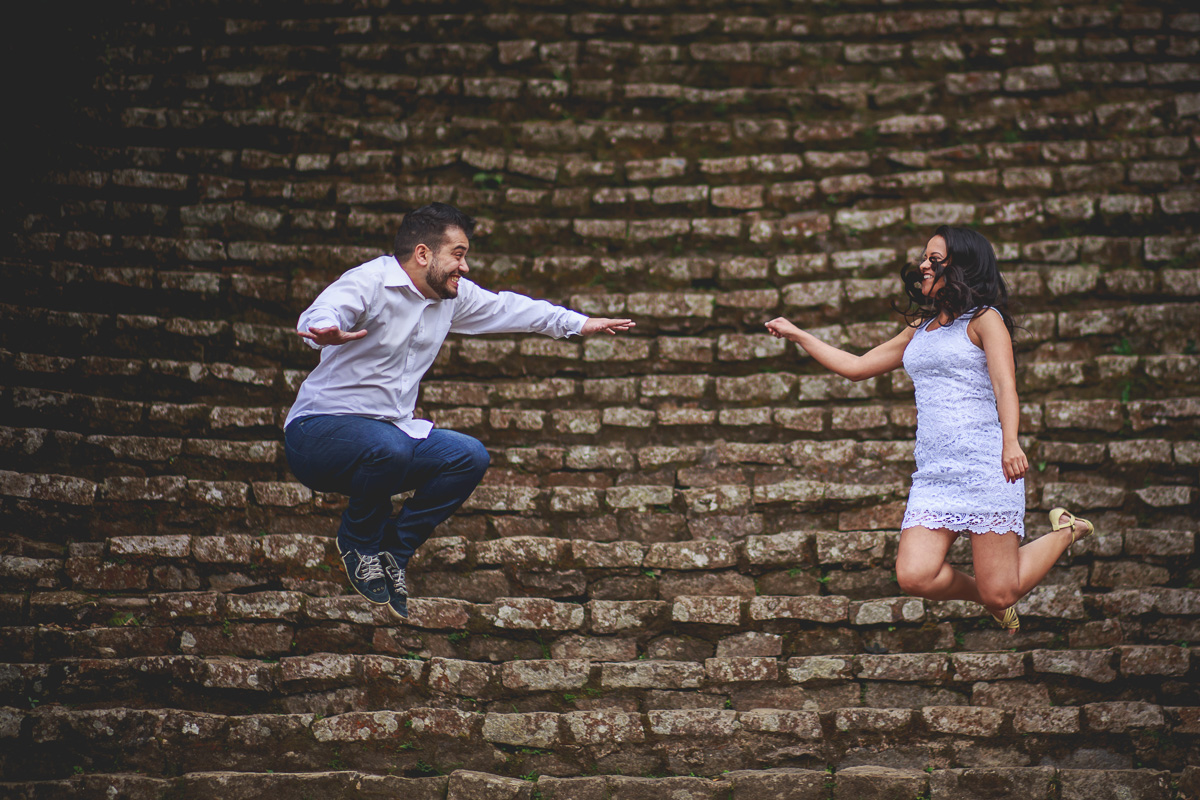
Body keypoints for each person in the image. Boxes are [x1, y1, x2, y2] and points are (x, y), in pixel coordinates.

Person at [284, 202, 634, 619]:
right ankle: (359, 543)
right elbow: (327, 309)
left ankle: (394, 553)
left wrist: (578, 323)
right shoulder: (370, 280)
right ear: (423, 254)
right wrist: (323, 328)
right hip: (319, 433)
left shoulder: (451, 298)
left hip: (390, 433)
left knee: (467, 456)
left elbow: (511, 308)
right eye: (459, 254)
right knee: (390, 448)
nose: (464, 267)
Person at [765, 226, 1093, 633]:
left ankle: (1068, 531)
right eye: (924, 257)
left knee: (1002, 594)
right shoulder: (920, 327)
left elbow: (1005, 385)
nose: (923, 264)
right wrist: (798, 334)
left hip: (985, 465)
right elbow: (856, 367)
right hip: (935, 474)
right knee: (915, 576)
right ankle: (989, 596)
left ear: (961, 266)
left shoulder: (985, 320)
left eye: (934, 259)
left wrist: (1011, 442)